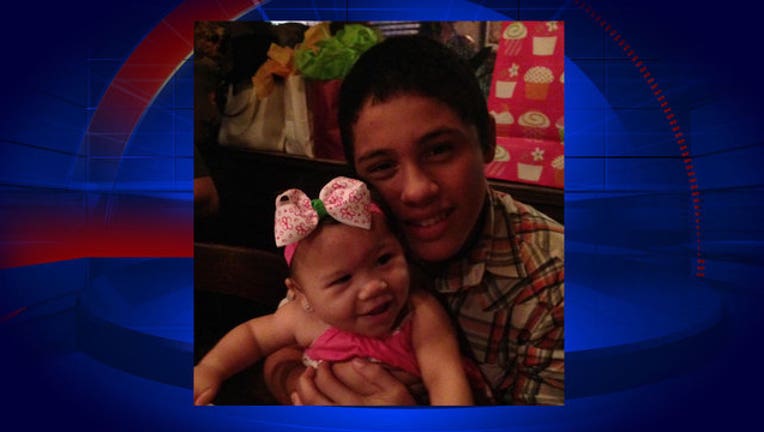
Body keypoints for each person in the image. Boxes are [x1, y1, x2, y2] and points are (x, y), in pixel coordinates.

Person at [263, 34, 564, 405]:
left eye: (439, 150)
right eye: (383, 166)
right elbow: (282, 346)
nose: (417, 190)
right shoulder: (350, 236)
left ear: (486, 139)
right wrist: (298, 381)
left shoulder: (557, 286)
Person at [194, 176, 473, 406]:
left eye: (384, 260)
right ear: (301, 295)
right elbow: (253, 336)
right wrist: (211, 369)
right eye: (342, 280)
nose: (374, 286)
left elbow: (445, 380)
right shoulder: (304, 318)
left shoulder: (419, 313)